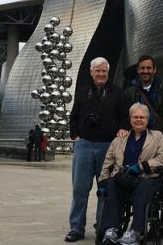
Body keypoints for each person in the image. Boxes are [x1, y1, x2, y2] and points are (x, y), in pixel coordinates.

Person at [65, 57, 130, 243]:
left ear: (108, 74)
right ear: (91, 72)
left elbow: (125, 116)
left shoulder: (118, 93)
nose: (101, 74)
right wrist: (76, 136)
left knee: (105, 189)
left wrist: (123, 128)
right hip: (84, 145)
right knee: (79, 189)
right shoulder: (83, 92)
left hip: (107, 147)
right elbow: (74, 117)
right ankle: (76, 228)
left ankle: (102, 226)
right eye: (98, 71)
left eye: (104, 71)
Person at [98, 103, 163, 245]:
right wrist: (102, 184)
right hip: (123, 178)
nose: (138, 120)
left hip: (147, 178)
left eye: (142, 117)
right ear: (130, 119)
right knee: (112, 184)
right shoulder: (119, 139)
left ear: (147, 120)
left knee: (144, 186)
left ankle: (135, 232)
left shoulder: (156, 136)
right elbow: (107, 164)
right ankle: (111, 229)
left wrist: (142, 167)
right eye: (135, 117)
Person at [125, 55, 163, 170]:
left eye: (149, 68)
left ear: (154, 69)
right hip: (139, 140)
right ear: (138, 70)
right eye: (142, 68)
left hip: (162, 139)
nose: (145, 71)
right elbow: (125, 116)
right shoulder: (131, 92)